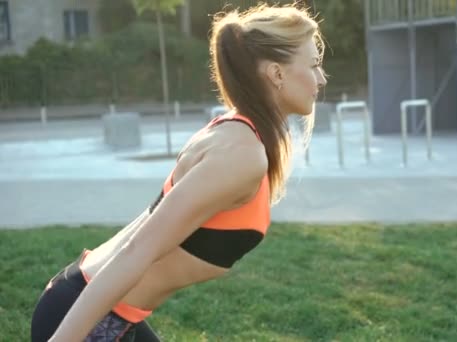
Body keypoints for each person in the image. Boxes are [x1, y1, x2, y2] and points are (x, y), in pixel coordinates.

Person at [30, 3, 327, 341]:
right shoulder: (242, 153)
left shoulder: (236, 132)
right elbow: (138, 250)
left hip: (105, 311)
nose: (322, 78)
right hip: (86, 317)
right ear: (277, 73)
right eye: (315, 65)